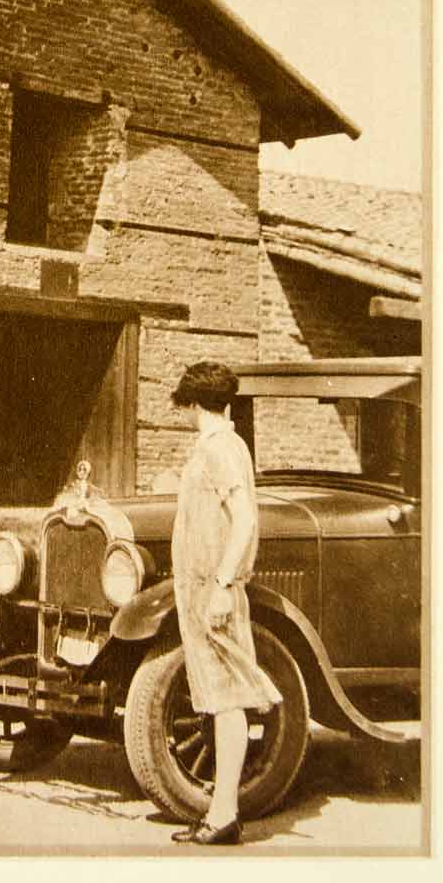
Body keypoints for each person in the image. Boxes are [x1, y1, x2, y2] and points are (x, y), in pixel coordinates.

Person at [167, 360, 282, 845]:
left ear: (194, 405)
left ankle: (224, 816)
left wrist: (219, 585)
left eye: (186, 404)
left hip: (211, 589)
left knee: (227, 699)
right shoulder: (227, 447)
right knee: (219, 699)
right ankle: (220, 810)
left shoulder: (218, 450)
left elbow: (245, 522)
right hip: (202, 588)